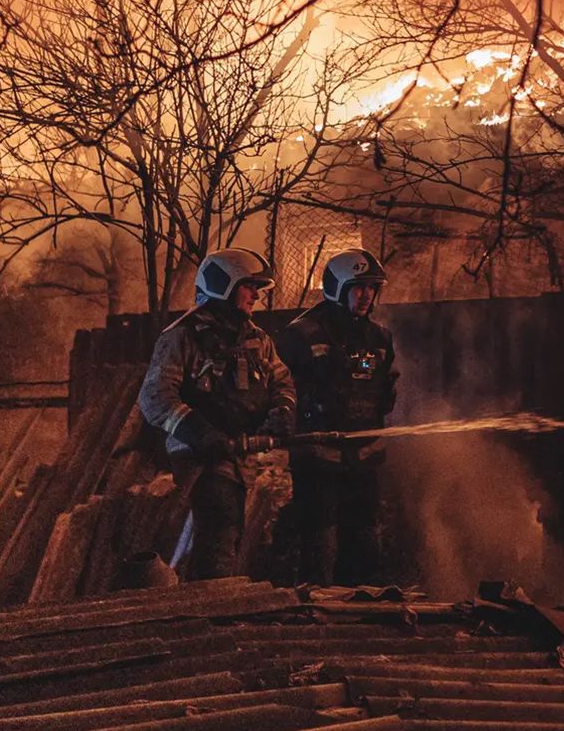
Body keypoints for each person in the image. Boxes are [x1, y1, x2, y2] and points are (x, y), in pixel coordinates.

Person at [138, 248, 294, 581]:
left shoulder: (257, 340)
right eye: (248, 286)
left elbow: (281, 381)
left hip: (238, 458)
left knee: (228, 533)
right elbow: (155, 397)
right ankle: (212, 603)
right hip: (196, 460)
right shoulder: (182, 336)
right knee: (220, 532)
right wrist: (200, 433)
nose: (255, 296)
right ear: (224, 285)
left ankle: (210, 597)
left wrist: (283, 409)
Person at [274, 247, 398, 585]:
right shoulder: (301, 335)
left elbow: (385, 388)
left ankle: (357, 613)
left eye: (372, 287)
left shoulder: (379, 338)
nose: (366, 295)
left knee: (365, 551)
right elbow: (279, 390)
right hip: (318, 465)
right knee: (320, 551)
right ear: (337, 288)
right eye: (358, 287)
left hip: (364, 463)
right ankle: (317, 613)